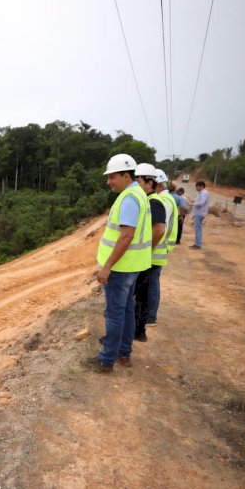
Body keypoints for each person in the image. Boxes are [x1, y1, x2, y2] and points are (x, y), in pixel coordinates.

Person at [89, 154, 152, 373]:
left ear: (126, 175)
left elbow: (126, 236)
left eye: (112, 177)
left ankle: (106, 361)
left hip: (120, 268)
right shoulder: (139, 194)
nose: (109, 182)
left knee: (115, 313)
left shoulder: (128, 199)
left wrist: (107, 266)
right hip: (132, 266)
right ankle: (124, 353)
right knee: (126, 310)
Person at [131, 164, 167, 342]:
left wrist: (147, 249)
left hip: (151, 258)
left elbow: (159, 229)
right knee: (141, 294)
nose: (136, 184)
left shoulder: (154, 202)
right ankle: (138, 330)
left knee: (142, 295)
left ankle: (139, 330)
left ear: (149, 182)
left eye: (138, 180)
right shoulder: (149, 200)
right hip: (149, 258)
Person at [191, 181, 210, 249]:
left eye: (197, 186)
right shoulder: (201, 193)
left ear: (201, 186)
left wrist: (192, 204)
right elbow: (199, 201)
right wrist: (195, 201)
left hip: (200, 213)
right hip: (198, 213)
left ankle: (198, 244)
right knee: (197, 229)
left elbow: (201, 203)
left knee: (198, 229)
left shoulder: (204, 193)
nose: (196, 188)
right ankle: (197, 243)